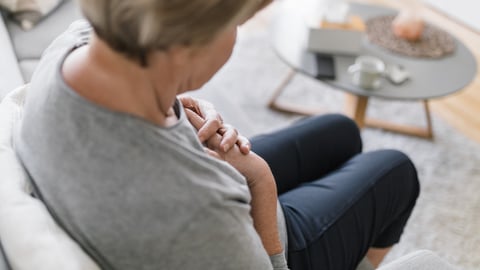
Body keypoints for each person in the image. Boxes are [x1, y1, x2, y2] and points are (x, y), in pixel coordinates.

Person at [14, 0, 420, 269]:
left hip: (197, 172)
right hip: (264, 238)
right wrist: (259, 179)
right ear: (186, 44)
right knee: (396, 171)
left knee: (341, 130)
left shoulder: (73, 45)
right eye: (238, 24)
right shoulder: (194, 214)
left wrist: (173, 98)